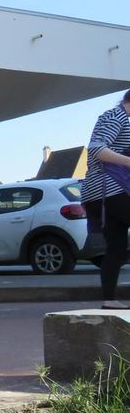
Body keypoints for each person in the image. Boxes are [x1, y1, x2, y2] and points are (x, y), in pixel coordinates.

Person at [80, 89, 130, 310]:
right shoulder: (116, 116)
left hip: (101, 192)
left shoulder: (118, 117)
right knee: (116, 247)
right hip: (109, 189)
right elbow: (96, 148)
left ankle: (109, 300)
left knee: (116, 248)